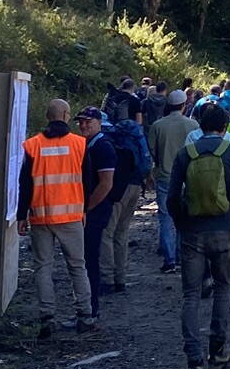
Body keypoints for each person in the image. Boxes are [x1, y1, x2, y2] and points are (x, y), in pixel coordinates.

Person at [165, 103, 230, 369]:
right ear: (225, 127)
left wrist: (181, 224)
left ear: (199, 126)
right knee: (223, 290)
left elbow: (172, 198)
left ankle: (194, 361)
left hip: (192, 233)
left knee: (190, 295)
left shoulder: (185, 154)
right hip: (224, 230)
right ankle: (218, 352)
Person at [16, 98, 93, 337]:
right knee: (77, 266)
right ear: (66, 115)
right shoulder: (79, 144)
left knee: (42, 267)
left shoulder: (33, 145)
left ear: (48, 116)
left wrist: (22, 215)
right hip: (71, 215)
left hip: (40, 216)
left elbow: (25, 184)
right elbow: (88, 181)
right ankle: (85, 316)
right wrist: (84, 209)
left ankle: (47, 318)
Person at [100, 102, 152, 288]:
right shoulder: (133, 133)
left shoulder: (112, 136)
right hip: (136, 185)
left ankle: (106, 278)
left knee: (107, 232)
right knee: (122, 233)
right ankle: (120, 277)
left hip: (119, 188)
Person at [72, 107, 118, 316]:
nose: (83, 125)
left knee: (89, 260)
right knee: (86, 259)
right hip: (91, 210)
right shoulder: (89, 144)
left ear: (99, 122)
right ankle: (88, 306)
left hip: (96, 211)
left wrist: (86, 208)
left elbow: (106, 184)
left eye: (88, 121)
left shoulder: (102, 147)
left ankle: (91, 308)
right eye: (81, 122)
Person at [147, 91, 199, 274]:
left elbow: (152, 149)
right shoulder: (193, 125)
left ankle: (169, 260)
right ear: (184, 105)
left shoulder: (158, 125)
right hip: (189, 177)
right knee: (185, 217)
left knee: (166, 218)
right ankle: (181, 255)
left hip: (165, 175)